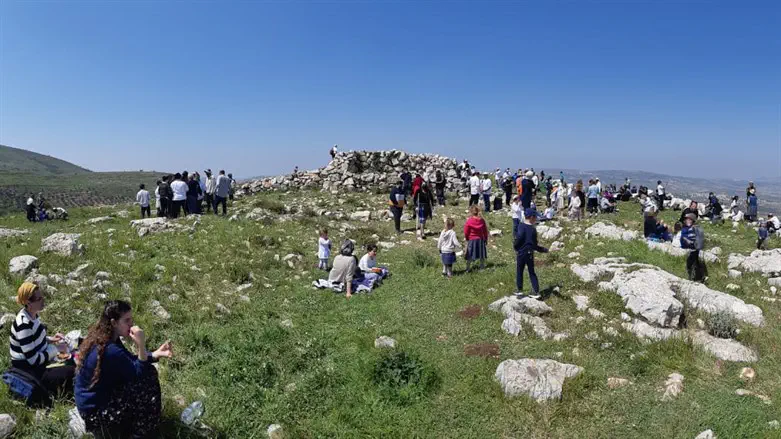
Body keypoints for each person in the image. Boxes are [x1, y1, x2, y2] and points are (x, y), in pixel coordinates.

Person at [75, 300, 172, 438]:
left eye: (131, 319)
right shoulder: (110, 349)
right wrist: (141, 345)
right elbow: (139, 373)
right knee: (148, 377)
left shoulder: (106, 338)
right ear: (114, 323)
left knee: (146, 373)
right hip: (96, 415)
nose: (131, 324)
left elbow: (128, 361)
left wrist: (154, 355)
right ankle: (142, 433)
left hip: (92, 405)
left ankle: (135, 426)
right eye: (127, 320)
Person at [9, 282, 74, 401]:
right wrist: (57, 349)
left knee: (72, 361)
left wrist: (51, 339)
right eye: (39, 299)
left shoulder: (33, 315)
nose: (43, 301)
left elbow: (35, 340)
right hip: (29, 369)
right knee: (69, 372)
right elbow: (33, 360)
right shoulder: (23, 325)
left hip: (37, 360)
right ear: (28, 303)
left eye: (42, 297)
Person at [513, 208, 549, 298]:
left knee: (519, 271)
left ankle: (519, 290)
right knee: (531, 272)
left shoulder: (521, 226)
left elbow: (519, 238)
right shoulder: (533, 229)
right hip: (530, 253)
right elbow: (535, 245)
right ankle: (536, 291)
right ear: (532, 217)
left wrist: (516, 247)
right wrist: (543, 250)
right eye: (535, 217)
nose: (536, 219)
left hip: (521, 253)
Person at [681, 213, 706, 282]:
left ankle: (694, 278)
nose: (687, 221)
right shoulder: (695, 227)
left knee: (690, 264)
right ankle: (700, 277)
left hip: (693, 249)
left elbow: (691, 240)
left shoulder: (692, 228)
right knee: (695, 262)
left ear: (693, 221)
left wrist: (686, 240)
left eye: (689, 220)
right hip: (695, 249)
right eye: (687, 220)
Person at [463, 205, 489, 272]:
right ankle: (482, 267)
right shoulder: (482, 220)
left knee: (470, 254)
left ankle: (468, 268)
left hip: (472, 240)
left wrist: (466, 238)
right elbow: (485, 231)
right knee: (481, 254)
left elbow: (466, 231)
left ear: (471, 212)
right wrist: (486, 239)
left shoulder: (469, 221)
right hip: (480, 239)